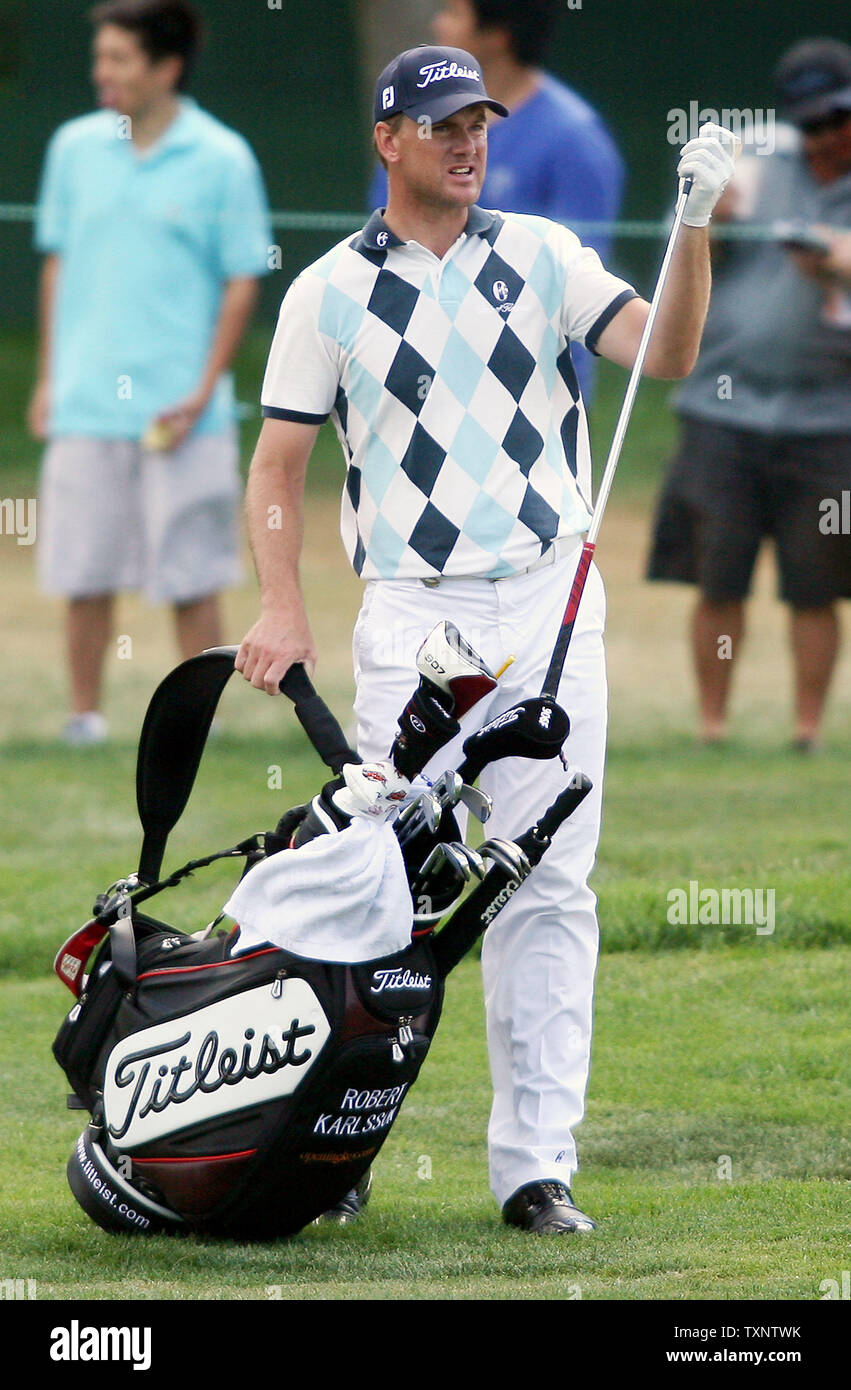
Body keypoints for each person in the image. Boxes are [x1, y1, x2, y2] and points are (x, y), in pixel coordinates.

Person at [236, 44, 732, 1233]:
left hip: (549, 596)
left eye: (480, 123)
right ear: (387, 140)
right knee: (374, 883)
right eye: (442, 124)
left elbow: (665, 351)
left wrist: (695, 224)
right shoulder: (328, 290)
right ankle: (329, 1149)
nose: (468, 143)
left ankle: (532, 1170)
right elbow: (276, 466)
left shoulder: (540, 254)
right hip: (411, 611)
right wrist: (281, 601)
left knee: (548, 884)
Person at [28, 0, 271, 745]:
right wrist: (48, 376)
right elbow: (58, 263)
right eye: (100, 58)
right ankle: (85, 719)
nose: (102, 74)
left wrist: (203, 389)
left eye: (118, 59)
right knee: (83, 573)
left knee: (193, 573)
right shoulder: (72, 148)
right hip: (87, 402)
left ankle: (197, 727)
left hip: (182, 410)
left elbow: (241, 278)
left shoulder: (223, 158)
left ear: (165, 68)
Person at [647, 38, 851, 751]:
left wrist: (836, 261)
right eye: (811, 124)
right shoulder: (754, 161)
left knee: (817, 582)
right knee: (716, 574)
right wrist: (708, 219)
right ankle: (711, 727)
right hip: (722, 409)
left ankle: (806, 731)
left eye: (837, 120)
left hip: (831, 416)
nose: (824, 137)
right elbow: (670, 270)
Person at [367, 0, 626, 404]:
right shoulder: (411, 138)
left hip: (531, 399)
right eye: (443, 130)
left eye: (453, 13)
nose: (438, 24)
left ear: (497, 35)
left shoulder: (574, 139)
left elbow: (574, 284)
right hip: (415, 387)